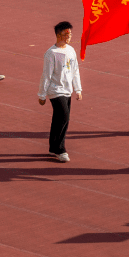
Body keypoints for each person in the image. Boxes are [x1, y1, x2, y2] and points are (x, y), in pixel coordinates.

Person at [39, 21, 82, 163]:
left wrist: (78, 89)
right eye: (66, 34)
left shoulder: (71, 50)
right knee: (64, 116)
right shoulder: (51, 53)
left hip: (67, 89)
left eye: (70, 34)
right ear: (58, 35)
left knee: (59, 119)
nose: (69, 37)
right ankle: (60, 149)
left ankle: (53, 147)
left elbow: (75, 70)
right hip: (55, 90)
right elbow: (46, 75)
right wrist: (42, 94)